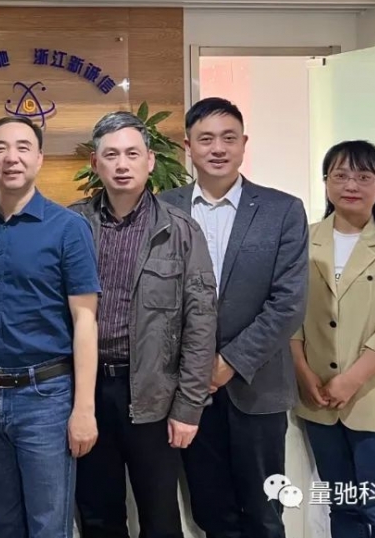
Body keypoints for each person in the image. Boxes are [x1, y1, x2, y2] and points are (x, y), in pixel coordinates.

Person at [158, 97, 308, 538]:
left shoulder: (283, 210)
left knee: (264, 513)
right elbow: (154, 300)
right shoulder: (164, 208)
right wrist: (195, 367)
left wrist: (229, 363)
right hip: (189, 390)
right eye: (206, 139)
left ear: (244, 143)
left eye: (228, 138)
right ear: (189, 147)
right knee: (210, 511)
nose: (218, 148)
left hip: (257, 387)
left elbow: (288, 303)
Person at [70, 111, 216, 538]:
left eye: (132, 154)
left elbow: (201, 322)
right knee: (97, 514)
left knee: (160, 517)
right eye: (111, 155)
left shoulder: (181, 230)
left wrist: (188, 407)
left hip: (155, 393)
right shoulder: (72, 226)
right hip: (87, 390)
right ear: (95, 163)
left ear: (150, 161)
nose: (122, 164)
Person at [0, 116, 100, 538]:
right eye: (0, 148)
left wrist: (84, 408)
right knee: (4, 524)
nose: (12, 157)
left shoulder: (68, 228)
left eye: (23, 147)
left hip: (46, 398)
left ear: (39, 158)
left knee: (49, 527)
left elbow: (85, 320)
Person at [292, 140, 375, 538]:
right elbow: (289, 314)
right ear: (326, 182)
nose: (351, 185)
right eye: (341, 175)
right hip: (318, 398)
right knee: (342, 508)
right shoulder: (303, 240)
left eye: (363, 176)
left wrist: (350, 380)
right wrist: (302, 372)